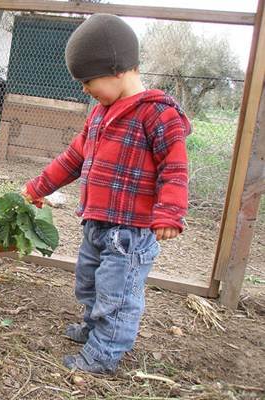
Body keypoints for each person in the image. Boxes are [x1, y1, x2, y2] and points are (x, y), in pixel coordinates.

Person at [23, 13, 191, 374]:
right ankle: (94, 329)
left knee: (117, 296)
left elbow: (174, 168)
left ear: (115, 69)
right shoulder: (99, 115)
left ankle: (104, 353)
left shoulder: (157, 115)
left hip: (130, 234)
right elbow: (72, 159)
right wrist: (36, 188)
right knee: (89, 283)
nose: (84, 88)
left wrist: (169, 213)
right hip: (96, 226)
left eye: (87, 80)